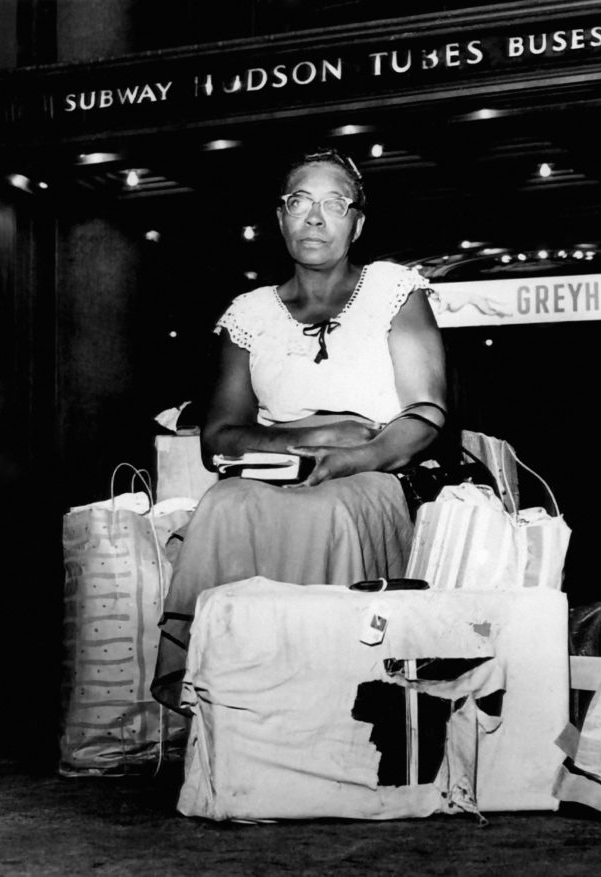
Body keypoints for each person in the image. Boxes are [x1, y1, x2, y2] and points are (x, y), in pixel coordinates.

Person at [151, 147, 448, 713]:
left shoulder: (394, 291)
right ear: (280, 217)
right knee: (224, 504)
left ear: (357, 223)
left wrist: (350, 456)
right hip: (277, 471)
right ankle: (235, 703)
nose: (315, 217)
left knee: (327, 510)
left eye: (334, 204)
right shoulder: (249, 313)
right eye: (300, 202)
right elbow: (219, 437)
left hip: (377, 469)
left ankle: (331, 699)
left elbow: (426, 414)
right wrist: (312, 442)